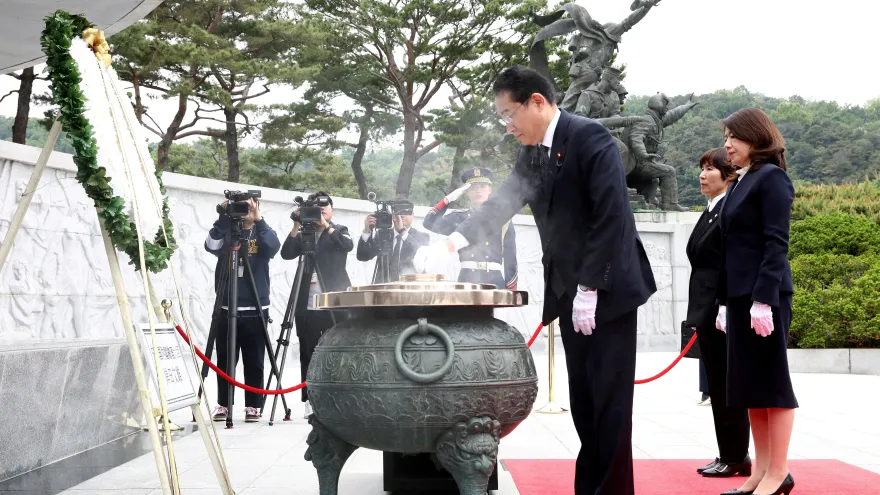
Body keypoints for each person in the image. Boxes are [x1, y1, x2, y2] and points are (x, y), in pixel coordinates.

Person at [417, 65, 656, 495]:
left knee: (610, 404)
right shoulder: (532, 152)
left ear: (538, 102)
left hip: (607, 291)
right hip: (569, 291)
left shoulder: (591, 139)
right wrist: (451, 242)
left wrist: (590, 287)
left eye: (510, 115)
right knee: (584, 403)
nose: (508, 127)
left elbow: (612, 217)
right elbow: (501, 204)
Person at [717, 108, 797, 495]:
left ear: (755, 137)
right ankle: (761, 471)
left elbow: (776, 243)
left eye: (733, 137)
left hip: (765, 299)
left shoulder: (772, 178)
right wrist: (724, 301)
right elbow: (729, 249)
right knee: (750, 387)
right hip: (739, 299)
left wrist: (763, 299)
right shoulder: (740, 181)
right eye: (725, 138)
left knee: (772, 384)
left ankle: (778, 471)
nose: (727, 145)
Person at [685, 148, 751, 478]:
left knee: (726, 386)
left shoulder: (729, 209)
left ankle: (736, 455)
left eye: (710, 169)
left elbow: (731, 260)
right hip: (706, 309)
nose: (702, 175)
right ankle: (728, 452)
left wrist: (724, 304)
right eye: (702, 168)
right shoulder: (712, 208)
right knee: (716, 384)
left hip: (720, 308)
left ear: (728, 175)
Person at [204, 197, 281, 423]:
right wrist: (223, 217)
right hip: (227, 305)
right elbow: (210, 245)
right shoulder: (227, 229)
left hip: (256, 306)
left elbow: (273, 247)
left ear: (256, 207)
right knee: (225, 360)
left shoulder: (262, 231)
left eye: (249, 206)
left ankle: (253, 406)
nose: (244, 211)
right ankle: (223, 404)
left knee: (255, 360)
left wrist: (259, 220)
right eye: (240, 206)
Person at [280, 192, 353, 418]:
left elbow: (347, 245)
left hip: (334, 302)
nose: (320, 210)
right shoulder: (305, 233)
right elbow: (286, 254)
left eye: (324, 206)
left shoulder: (339, 229)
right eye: (316, 207)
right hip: (307, 304)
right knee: (307, 351)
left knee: (337, 350)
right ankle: (309, 400)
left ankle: (338, 397)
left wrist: (325, 225)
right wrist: (296, 224)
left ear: (331, 209)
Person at [423, 168, 519, 289]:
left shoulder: (503, 220)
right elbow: (429, 222)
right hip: (467, 280)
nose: (478, 191)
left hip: (494, 281)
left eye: (483, 186)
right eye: (473, 187)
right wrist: (449, 198)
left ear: (490, 190)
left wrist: (511, 291)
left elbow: (511, 258)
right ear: (466, 191)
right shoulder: (458, 218)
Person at [357, 200, 430, 281]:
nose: (402, 215)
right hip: (383, 285)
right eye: (398, 212)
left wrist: (403, 232)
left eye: (406, 212)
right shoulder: (382, 234)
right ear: (393, 216)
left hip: (408, 286)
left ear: (413, 216)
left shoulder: (422, 237)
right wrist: (366, 231)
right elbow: (363, 256)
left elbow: (421, 257)